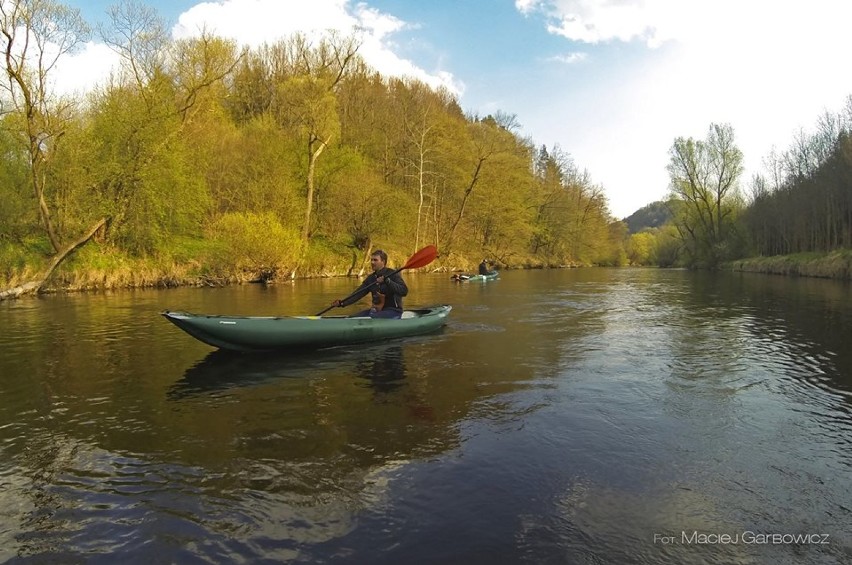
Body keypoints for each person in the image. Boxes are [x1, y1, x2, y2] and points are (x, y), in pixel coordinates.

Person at [331, 249, 408, 318]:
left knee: (373, 316)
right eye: (371, 260)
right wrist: (342, 303)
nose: (372, 262)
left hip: (393, 311)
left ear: (383, 262)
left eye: (375, 260)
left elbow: (404, 291)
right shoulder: (371, 278)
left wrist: (388, 281)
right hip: (377, 310)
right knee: (352, 318)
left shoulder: (393, 274)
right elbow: (358, 294)